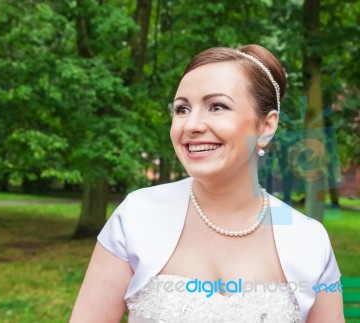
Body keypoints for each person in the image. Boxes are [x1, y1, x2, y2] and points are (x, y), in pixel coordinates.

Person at [70, 45, 344, 323]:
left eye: (217, 106)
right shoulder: (136, 215)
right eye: (182, 109)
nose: (192, 124)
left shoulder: (310, 240)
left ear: (266, 126)